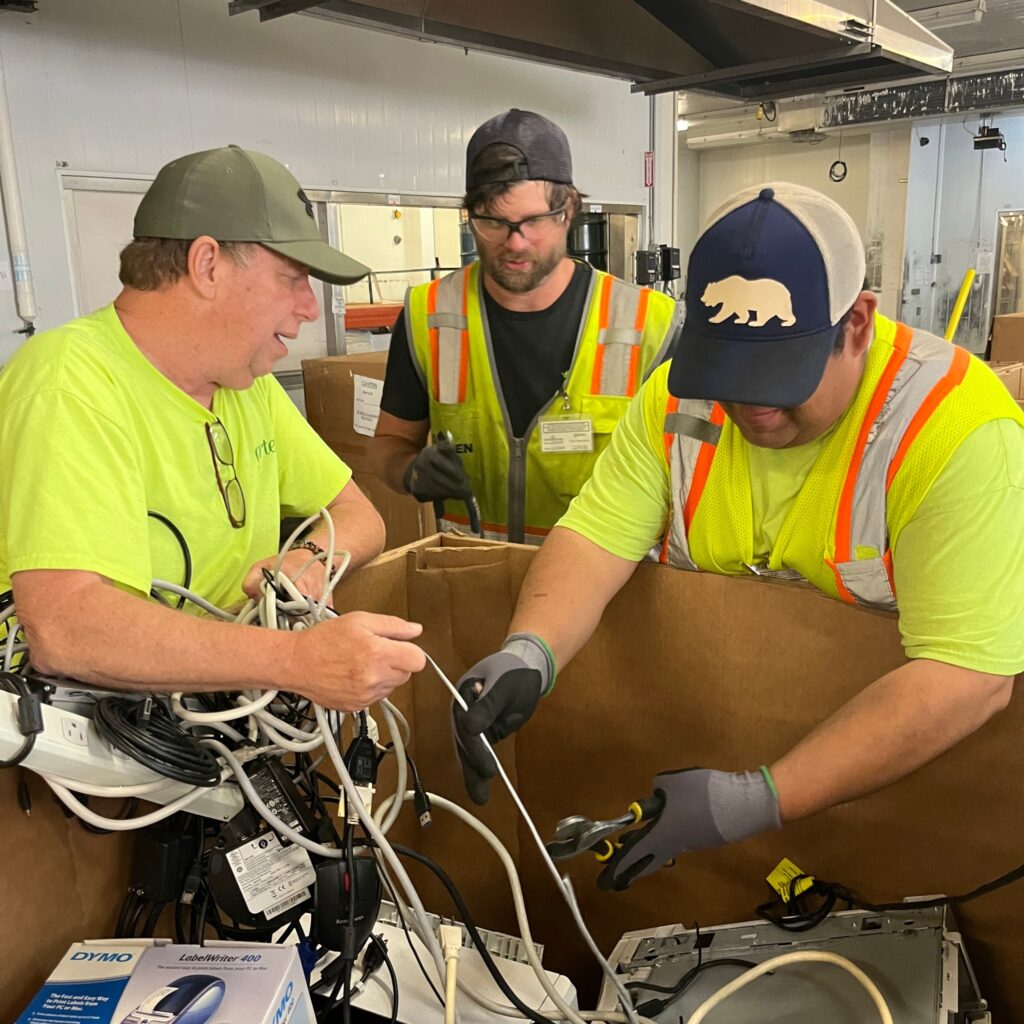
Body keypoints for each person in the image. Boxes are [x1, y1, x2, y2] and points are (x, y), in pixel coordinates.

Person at [452, 182, 1024, 889]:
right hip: (716, 776)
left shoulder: (955, 430)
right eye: (730, 373)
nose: (751, 408)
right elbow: (598, 536)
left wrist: (760, 797)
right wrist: (529, 650)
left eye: (778, 378)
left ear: (858, 324)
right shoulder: (673, 401)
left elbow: (967, 677)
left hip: (903, 804)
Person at [0, 145, 426, 711]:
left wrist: (309, 562)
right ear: (207, 265)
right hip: (104, 763)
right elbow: (67, 630)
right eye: (292, 278)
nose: (309, 306)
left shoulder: (244, 385)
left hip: (219, 730)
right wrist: (296, 662)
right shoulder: (70, 383)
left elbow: (359, 516)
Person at [370, 109, 681, 543]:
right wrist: (410, 471)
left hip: (604, 597)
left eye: (534, 221)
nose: (515, 243)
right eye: (494, 222)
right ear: (470, 216)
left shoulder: (651, 324)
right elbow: (387, 443)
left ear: (569, 209)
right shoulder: (429, 315)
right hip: (473, 582)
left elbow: (687, 478)